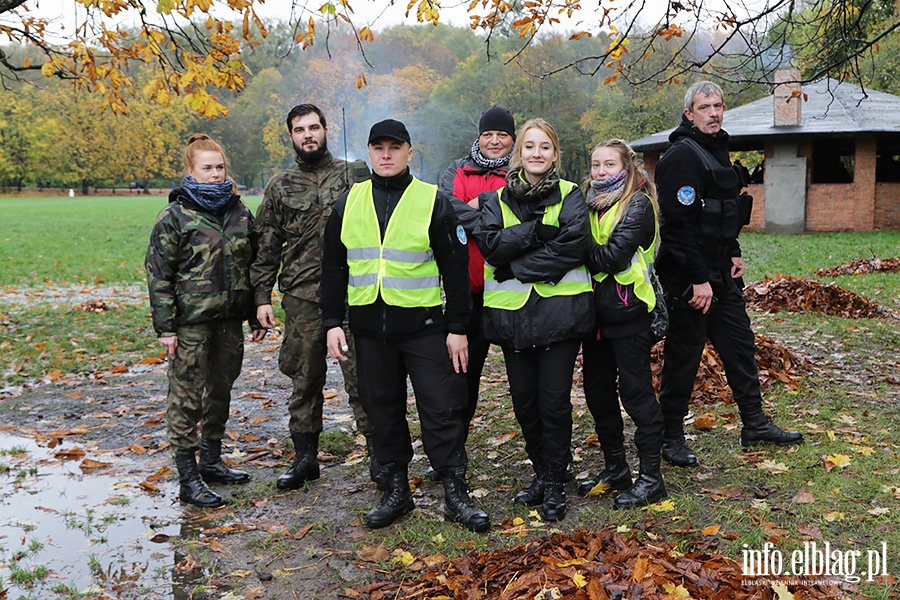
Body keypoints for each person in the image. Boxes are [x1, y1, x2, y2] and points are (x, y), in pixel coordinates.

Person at [320, 119, 489, 532]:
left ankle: (455, 491)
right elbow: (332, 267)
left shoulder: (431, 200)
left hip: (424, 327)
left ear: (409, 152)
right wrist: (331, 322)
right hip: (369, 330)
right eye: (378, 147)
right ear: (369, 153)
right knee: (382, 412)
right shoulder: (349, 202)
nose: (386, 154)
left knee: (442, 409)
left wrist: (457, 327)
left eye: (395, 147)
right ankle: (396, 490)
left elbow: (454, 269)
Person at [654, 81, 803, 467]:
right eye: (704, 107)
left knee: (740, 347)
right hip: (689, 278)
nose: (714, 113)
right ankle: (670, 438)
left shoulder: (718, 151)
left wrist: (733, 252)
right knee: (683, 358)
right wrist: (698, 279)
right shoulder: (680, 158)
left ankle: (754, 424)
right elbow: (676, 228)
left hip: (721, 272)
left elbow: (725, 210)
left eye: (718, 105)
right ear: (689, 114)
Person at [250, 104, 379, 491]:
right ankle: (305, 458)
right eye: (299, 129)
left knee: (364, 380)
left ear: (326, 130)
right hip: (303, 297)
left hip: (354, 294)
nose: (307, 135)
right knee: (304, 380)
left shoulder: (354, 175)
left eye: (313, 127)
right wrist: (261, 297)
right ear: (291, 136)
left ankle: (380, 458)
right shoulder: (280, 186)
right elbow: (266, 247)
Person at [473, 118, 594, 521]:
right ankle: (542, 472)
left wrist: (519, 266)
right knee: (525, 404)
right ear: (518, 153)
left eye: (545, 147)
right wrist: (540, 230)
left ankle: (556, 482)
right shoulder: (495, 200)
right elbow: (491, 247)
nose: (536, 153)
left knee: (554, 403)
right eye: (529, 147)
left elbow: (573, 247)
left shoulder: (571, 195)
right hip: (512, 319)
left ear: (555, 154)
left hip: (561, 315)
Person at [146, 134, 266, 508]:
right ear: (191, 171)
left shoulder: (239, 211)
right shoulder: (175, 215)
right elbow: (158, 274)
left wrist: (254, 310)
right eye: (207, 168)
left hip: (229, 321)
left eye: (220, 168)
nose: (215, 175)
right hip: (191, 324)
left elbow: (252, 265)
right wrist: (166, 328)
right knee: (186, 398)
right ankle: (188, 475)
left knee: (221, 390)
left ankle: (211, 461)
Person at [578, 139, 667, 508]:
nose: (601, 172)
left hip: (630, 314)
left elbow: (613, 258)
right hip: (594, 318)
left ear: (626, 168)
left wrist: (573, 243)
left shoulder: (638, 204)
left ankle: (651, 478)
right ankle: (616, 468)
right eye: (596, 165)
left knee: (636, 395)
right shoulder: (588, 204)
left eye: (609, 165)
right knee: (597, 394)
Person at [434, 105, 516, 480]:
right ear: (478, 137)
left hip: (512, 291)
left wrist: (478, 206)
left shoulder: (521, 170)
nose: (495, 140)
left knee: (526, 381)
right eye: (489, 134)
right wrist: (494, 215)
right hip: (467, 291)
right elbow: (447, 210)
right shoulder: (456, 169)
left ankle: (547, 457)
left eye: (502, 134)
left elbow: (524, 215)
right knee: (460, 379)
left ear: (512, 139)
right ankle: (452, 456)